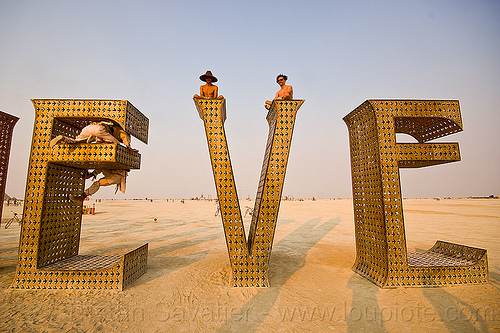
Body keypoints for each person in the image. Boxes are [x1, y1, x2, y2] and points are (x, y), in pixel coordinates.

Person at [50, 121, 137, 151]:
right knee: (117, 145)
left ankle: (63, 138)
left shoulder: (115, 127)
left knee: (76, 142)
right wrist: (128, 146)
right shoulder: (122, 131)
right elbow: (124, 136)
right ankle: (97, 138)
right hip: (100, 130)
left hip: (88, 128)